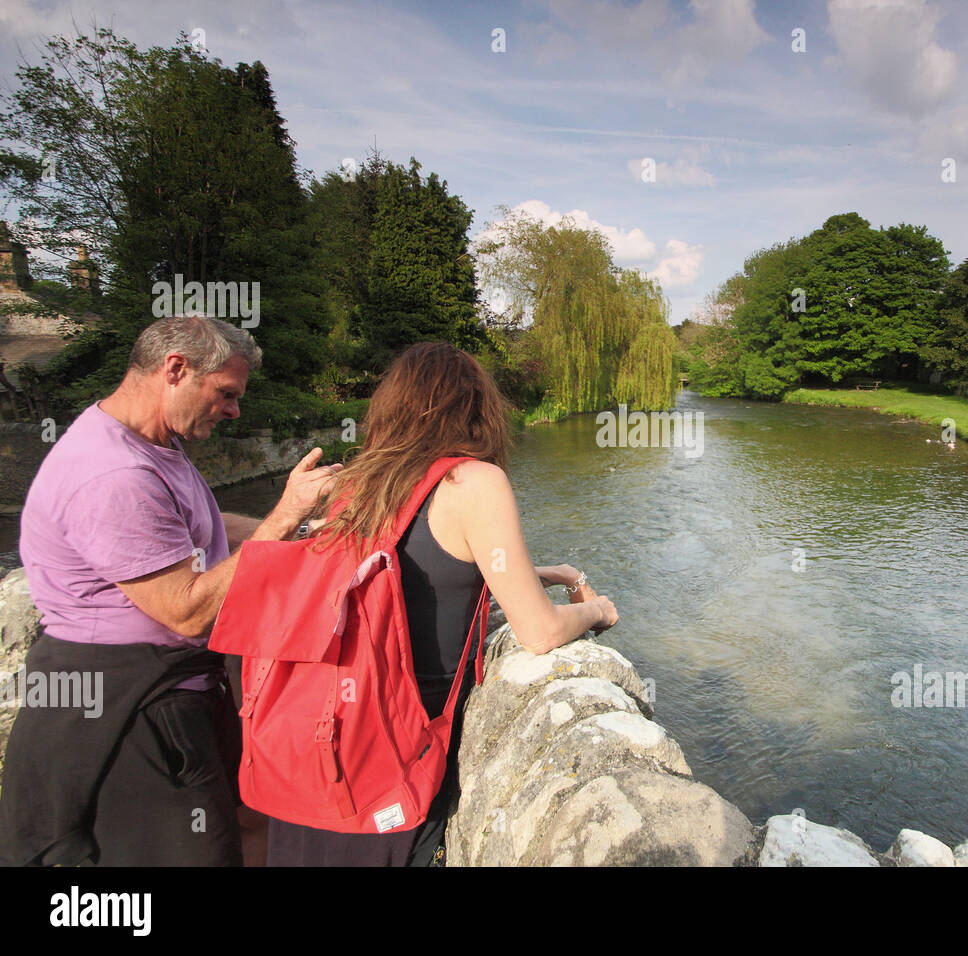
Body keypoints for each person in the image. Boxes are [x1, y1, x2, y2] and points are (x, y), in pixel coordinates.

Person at [0, 314, 340, 867]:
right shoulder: (113, 474)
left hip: (151, 691)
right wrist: (284, 518)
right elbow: (185, 611)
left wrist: (304, 532)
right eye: (226, 393)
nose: (235, 410)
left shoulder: (149, 443)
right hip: (126, 707)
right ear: (175, 369)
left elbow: (199, 526)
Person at [265, 341, 619, 866]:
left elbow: (419, 566)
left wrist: (551, 573)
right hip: (400, 748)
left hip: (324, 736)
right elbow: (539, 632)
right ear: (475, 409)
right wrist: (598, 610)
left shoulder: (358, 483)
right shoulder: (473, 480)